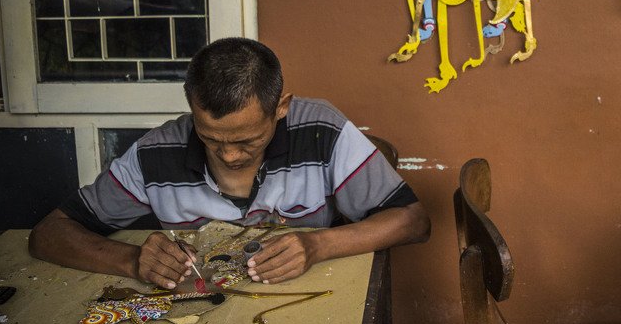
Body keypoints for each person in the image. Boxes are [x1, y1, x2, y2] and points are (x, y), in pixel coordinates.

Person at [29, 37, 431, 290]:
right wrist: (132, 260)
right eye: (210, 139)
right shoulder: (156, 153)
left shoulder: (320, 129)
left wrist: (317, 244)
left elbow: (412, 221)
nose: (230, 156)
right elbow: (49, 234)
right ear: (191, 111)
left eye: (248, 140)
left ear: (281, 109)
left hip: (303, 302)